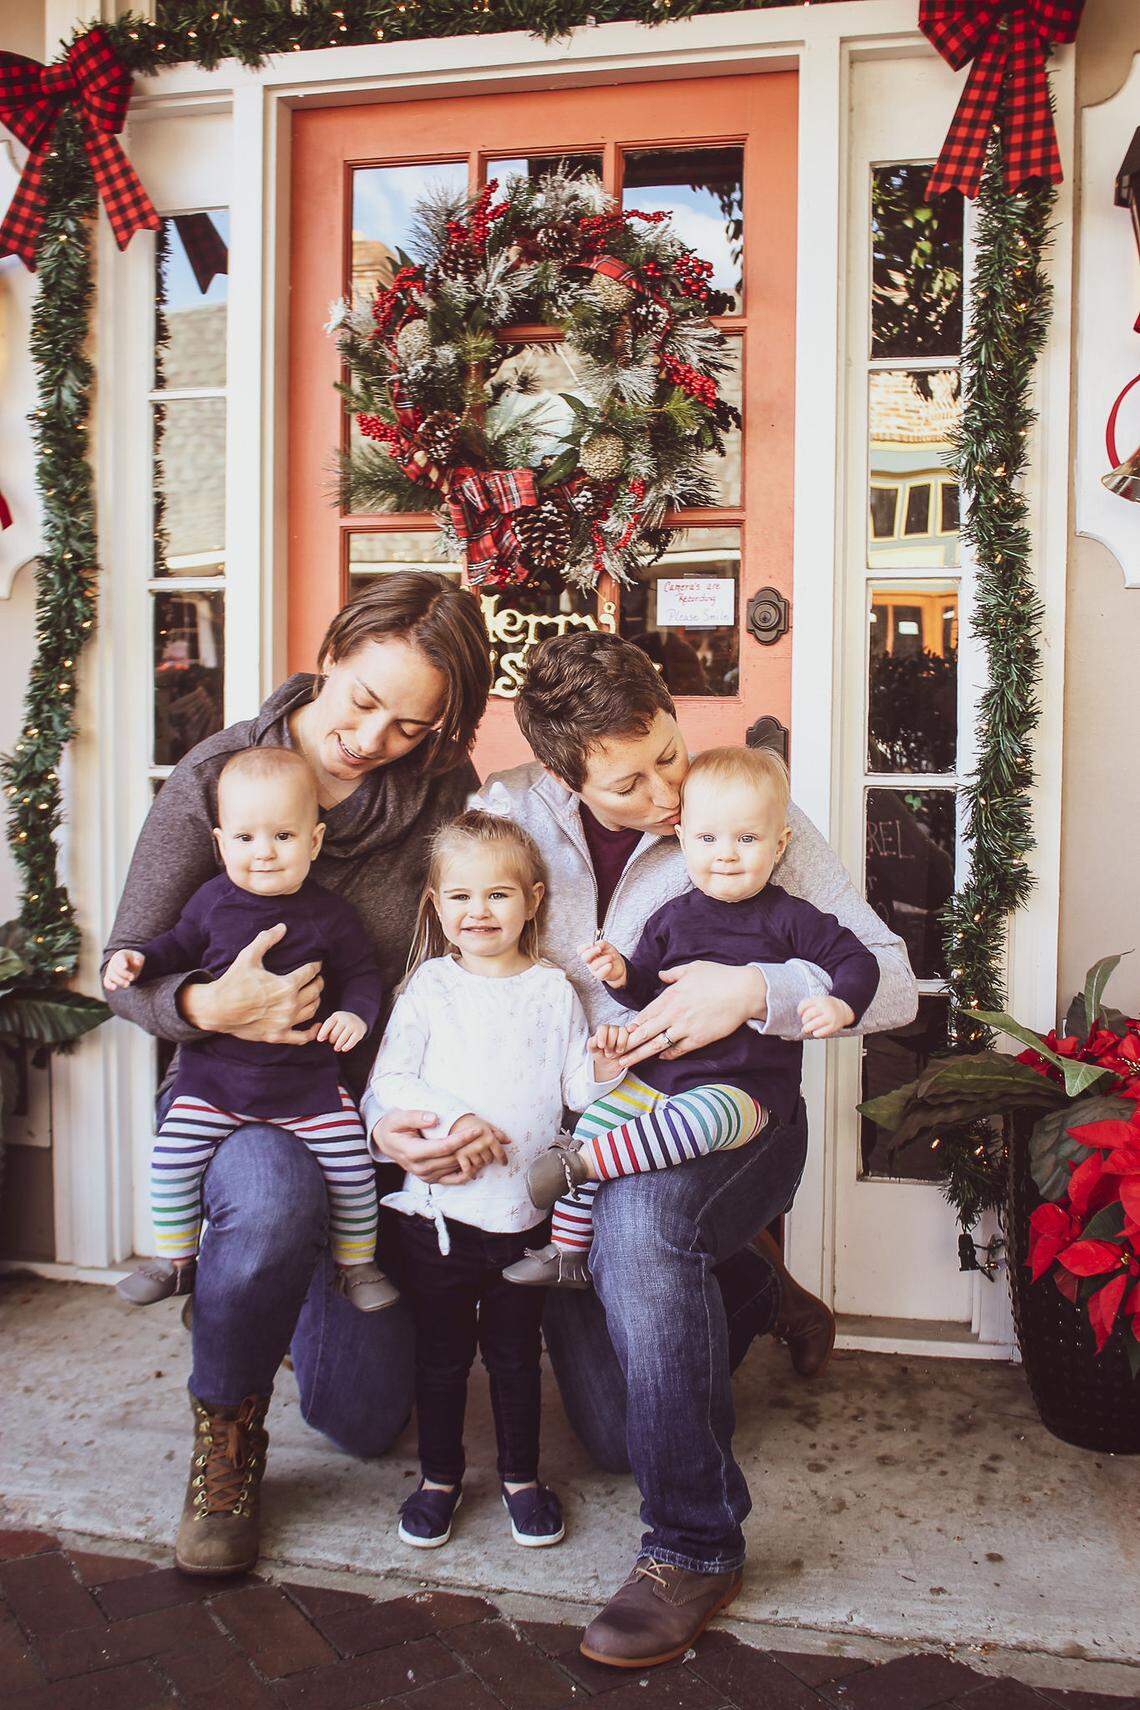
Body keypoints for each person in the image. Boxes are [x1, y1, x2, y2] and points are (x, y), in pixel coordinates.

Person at [394, 630, 912, 1669]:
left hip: (736, 1120)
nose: (669, 794)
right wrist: (408, 1118)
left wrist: (758, 990)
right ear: (563, 776)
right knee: (615, 1432)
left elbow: (890, 979)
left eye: (669, 753)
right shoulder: (508, 814)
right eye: (629, 783)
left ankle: (692, 1546)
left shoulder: (741, 807)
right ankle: (757, 1291)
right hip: (595, 1121)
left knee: (640, 1236)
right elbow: (441, 977)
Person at [102, 572, 492, 1576]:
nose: (372, 739)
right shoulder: (219, 775)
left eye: (410, 726)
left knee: (361, 1422)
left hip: (364, 1108)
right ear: (331, 654)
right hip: (231, 1099)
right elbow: (126, 965)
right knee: (272, 1201)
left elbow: (467, 944)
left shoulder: (439, 790)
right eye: (363, 701)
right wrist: (207, 1006)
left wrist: (422, 1102)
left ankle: (269, 1280)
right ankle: (227, 1433)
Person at [503, 746, 879, 1287]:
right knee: (597, 1120)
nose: (725, 855)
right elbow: (648, 993)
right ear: (682, 841)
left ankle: (587, 1165)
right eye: (707, 839)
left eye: (746, 839)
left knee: (702, 1122)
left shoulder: (791, 918)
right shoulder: (672, 918)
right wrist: (620, 975)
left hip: (742, 1089)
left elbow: (857, 960)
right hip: (658, 1079)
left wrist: (841, 1003)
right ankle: (566, 1250)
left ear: (780, 844)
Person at [363, 811, 626, 1549]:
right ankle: (439, 1478)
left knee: (514, 1357)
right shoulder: (429, 988)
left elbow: (575, 1090)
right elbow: (390, 1082)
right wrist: (456, 1117)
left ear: (533, 900)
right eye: (460, 896)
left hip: (523, 1216)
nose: (478, 911)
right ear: (435, 904)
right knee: (442, 1357)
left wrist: (606, 1068)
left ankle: (520, 1479)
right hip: (438, 1218)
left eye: (498, 895)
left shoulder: (553, 991)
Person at [104, 746, 395, 1315]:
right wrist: (138, 961)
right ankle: (174, 1260)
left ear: (314, 841)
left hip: (306, 1082)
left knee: (353, 1167)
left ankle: (357, 1265)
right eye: (245, 838)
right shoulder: (211, 902)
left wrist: (354, 1015)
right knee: (172, 1157)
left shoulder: (330, 915)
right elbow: (175, 947)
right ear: (220, 844)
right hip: (215, 1079)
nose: (263, 853)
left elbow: (362, 974)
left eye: (283, 837)